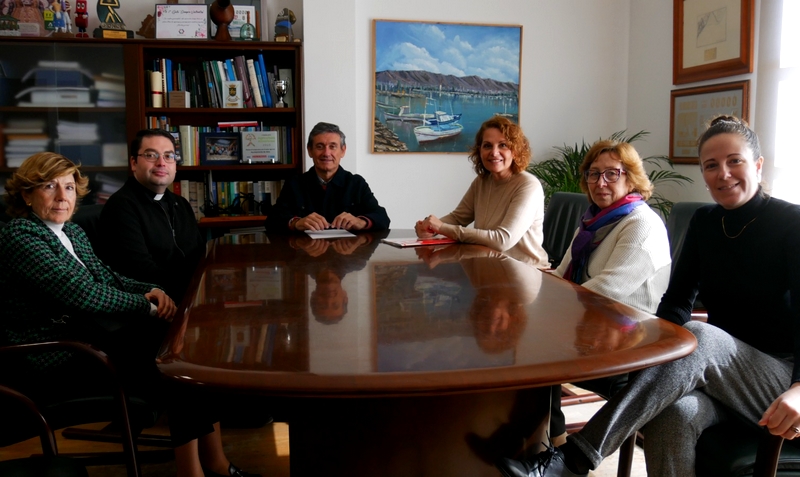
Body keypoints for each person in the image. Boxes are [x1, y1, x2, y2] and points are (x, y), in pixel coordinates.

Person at [496, 115, 800, 477]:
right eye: (711, 165)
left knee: (699, 334)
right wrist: (654, 364)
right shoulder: (706, 222)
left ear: (758, 164)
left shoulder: (790, 223)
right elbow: (675, 304)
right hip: (719, 375)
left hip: (781, 380)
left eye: (735, 161)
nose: (724, 173)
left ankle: (574, 459)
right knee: (672, 415)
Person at [0, 152, 257, 477]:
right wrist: (146, 306)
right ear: (26, 193)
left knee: (186, 350)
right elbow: (82, 293)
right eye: (50, 187)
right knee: (174, 361)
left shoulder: (71, 232)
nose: (63, 197)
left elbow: (108, 277)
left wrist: (151, 290)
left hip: (89, 340)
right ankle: (200, 471)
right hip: (54, 358)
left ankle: (214, 463)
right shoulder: (20, 237)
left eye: (68, 187)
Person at [547, 140, 672, 444]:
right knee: (518, 338)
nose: (600, 182)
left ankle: (558, 451)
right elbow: (561, 275)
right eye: (593, 173)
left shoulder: (641, 224)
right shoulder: (592, 222)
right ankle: (543, 437)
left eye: (612, 174)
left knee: (530, 353)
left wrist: (545, 310)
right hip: (590, 325)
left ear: (630, 177)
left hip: (627, 339)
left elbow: (606, 293)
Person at [415, 116, 548, 268]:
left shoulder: (528, 185)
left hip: (526, 273)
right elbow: (458, 217)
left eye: (503, 145)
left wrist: (442, 228)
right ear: (480, 151)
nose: (494, 152)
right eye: (487, 146)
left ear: (515, 151)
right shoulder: (482, 181)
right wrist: (429, 227)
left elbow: (502, 241)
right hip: (490, 268)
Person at [98, 128, 207, 304]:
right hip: (155, 305)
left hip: (193, 296)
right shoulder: (121, 207)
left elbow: (199, 256)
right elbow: (140, 271)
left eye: (168, 156)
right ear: (134, 163)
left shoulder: (181, 204)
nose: (161, 163)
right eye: (151, 155)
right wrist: (196, 289)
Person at [265, 122, 390, 232]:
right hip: (306, 255)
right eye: (320, 146)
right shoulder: (295, 183)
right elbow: (272, 220)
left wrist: (361, 222)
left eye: (332, 146)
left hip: (348, 255)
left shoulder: (356, 183)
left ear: (343, 151)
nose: (326, 153)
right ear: (310, 151)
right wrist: (296, 223)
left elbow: (382, 218)